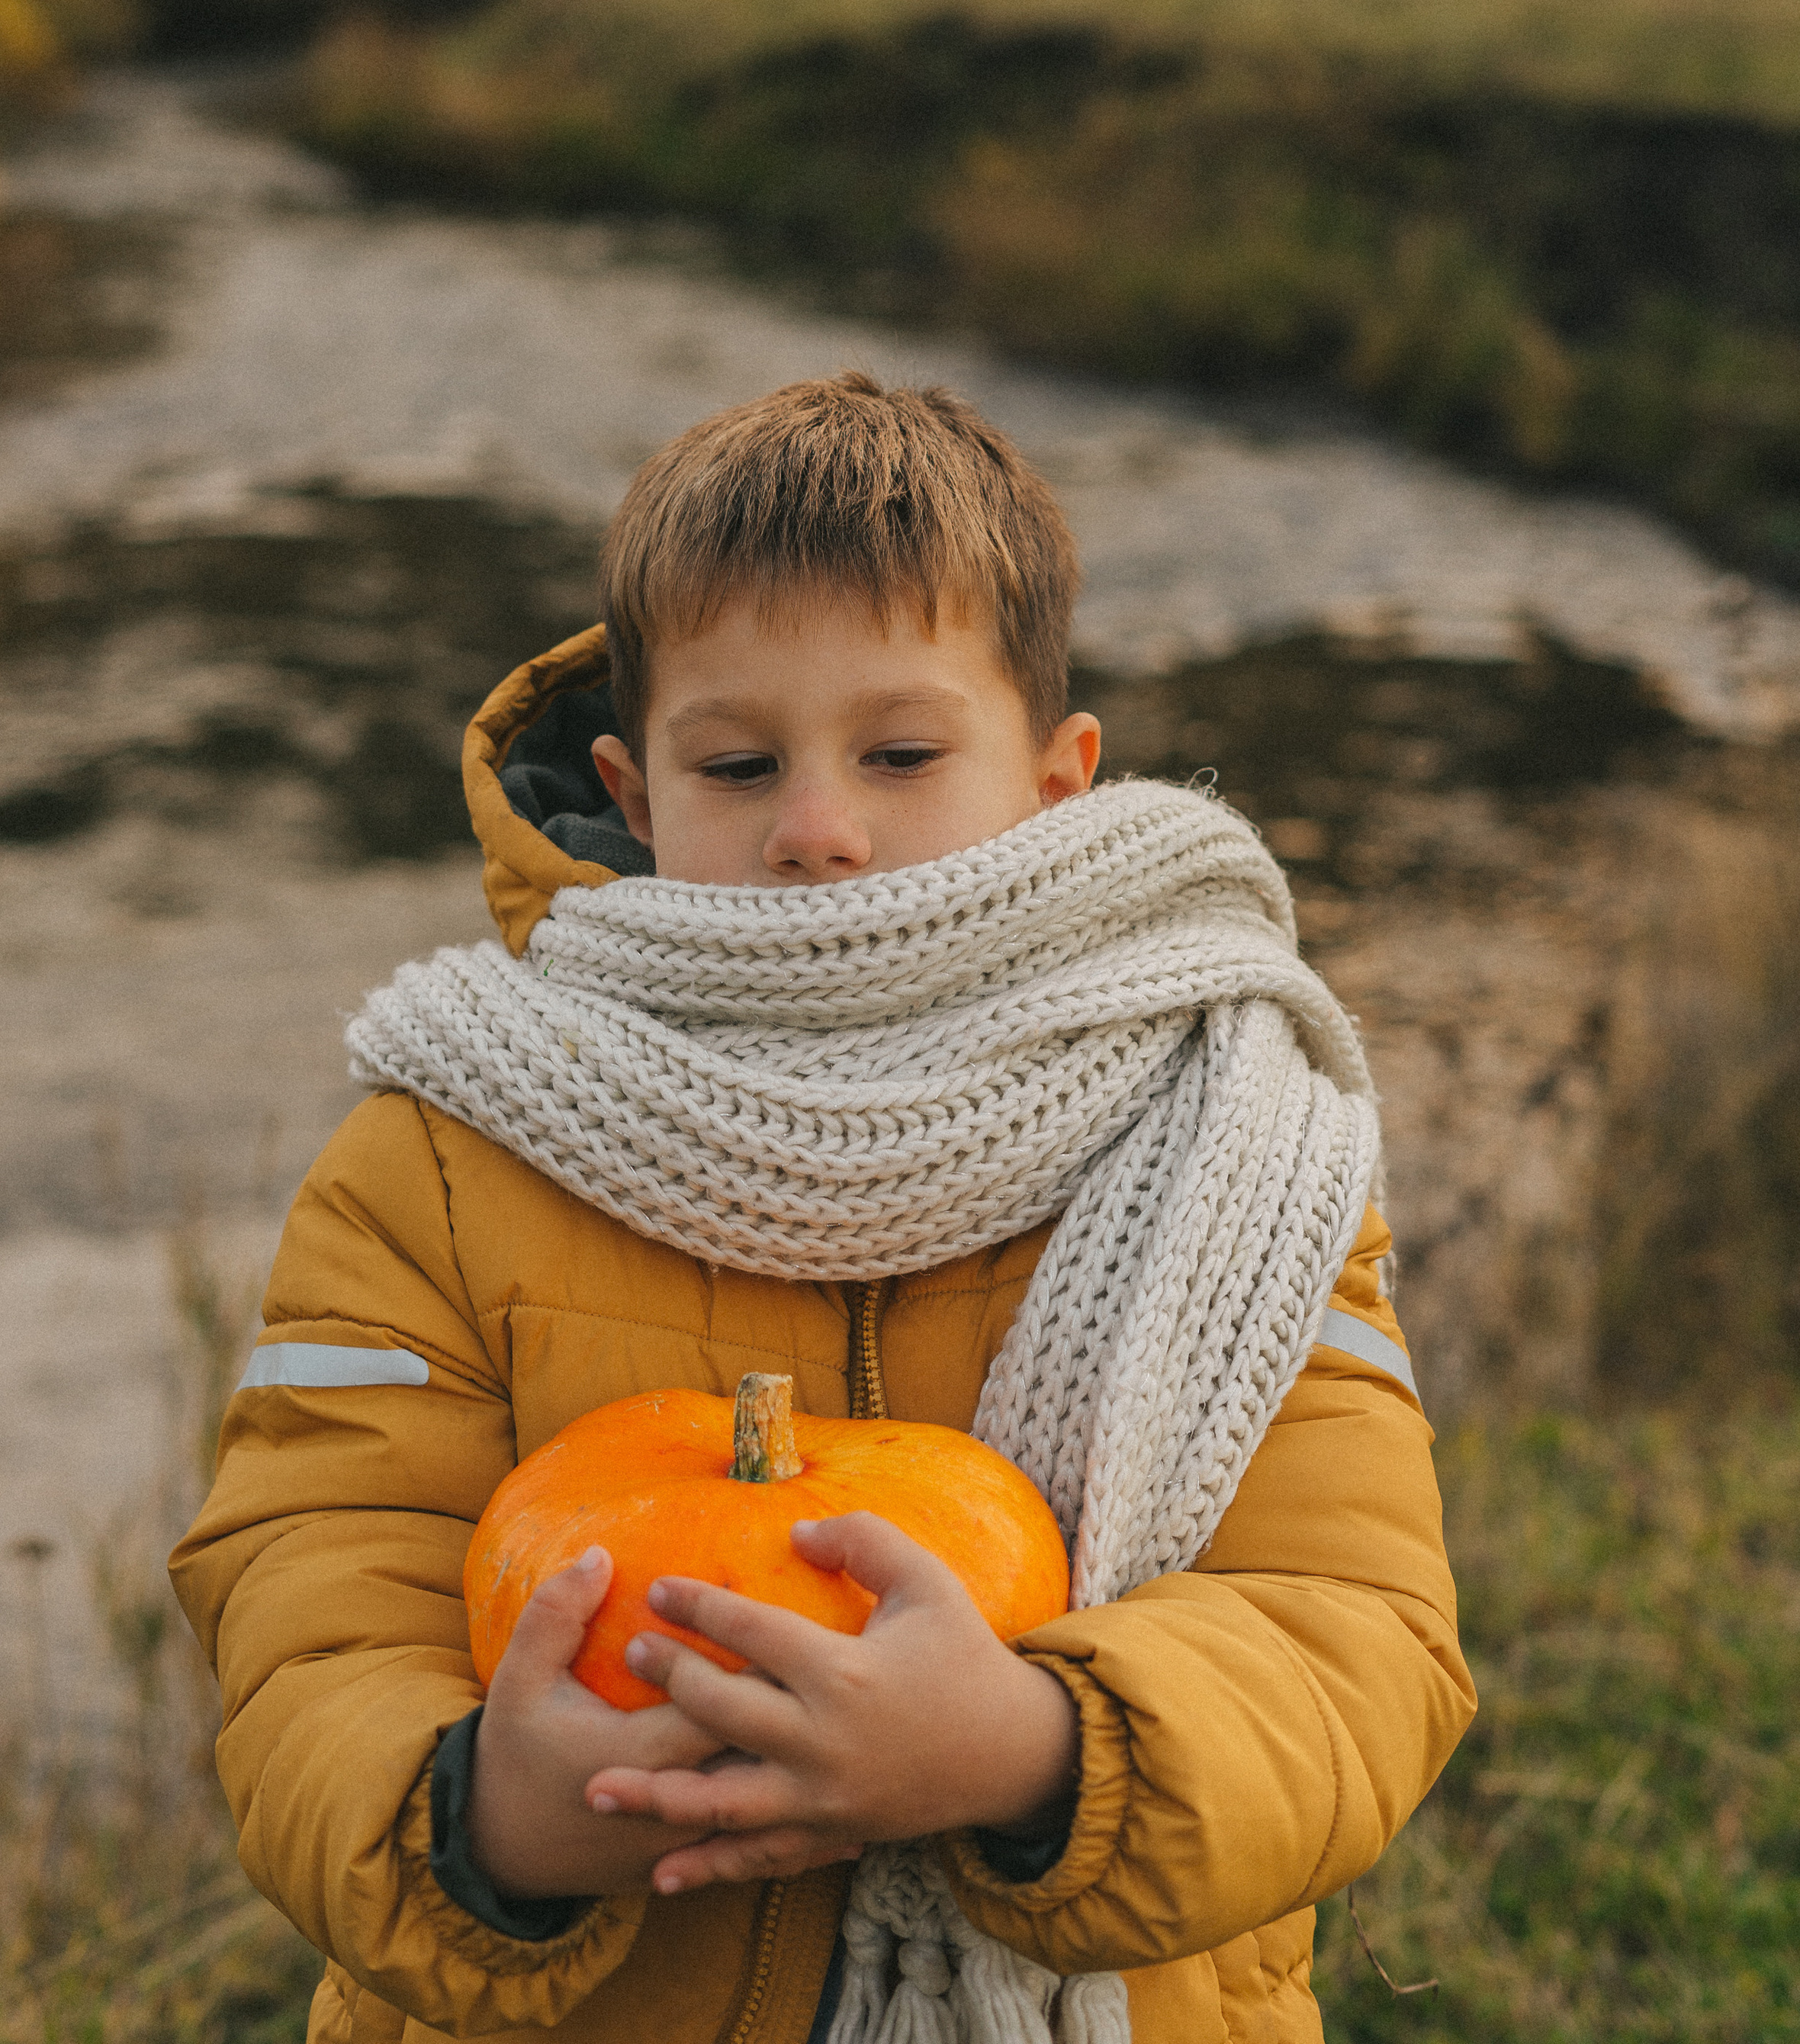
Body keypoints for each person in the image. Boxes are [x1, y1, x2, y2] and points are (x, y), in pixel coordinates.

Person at [171, 372, 1473, 2044]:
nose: (816, 832)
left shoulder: (1228, 1123)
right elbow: (310, 1592)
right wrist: (487, 1816)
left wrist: (1022, 1750)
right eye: (737, 764)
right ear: (636, 798)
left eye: (903, 752)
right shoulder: (444, 1154)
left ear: (1055, 777)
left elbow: (1356, 1633)